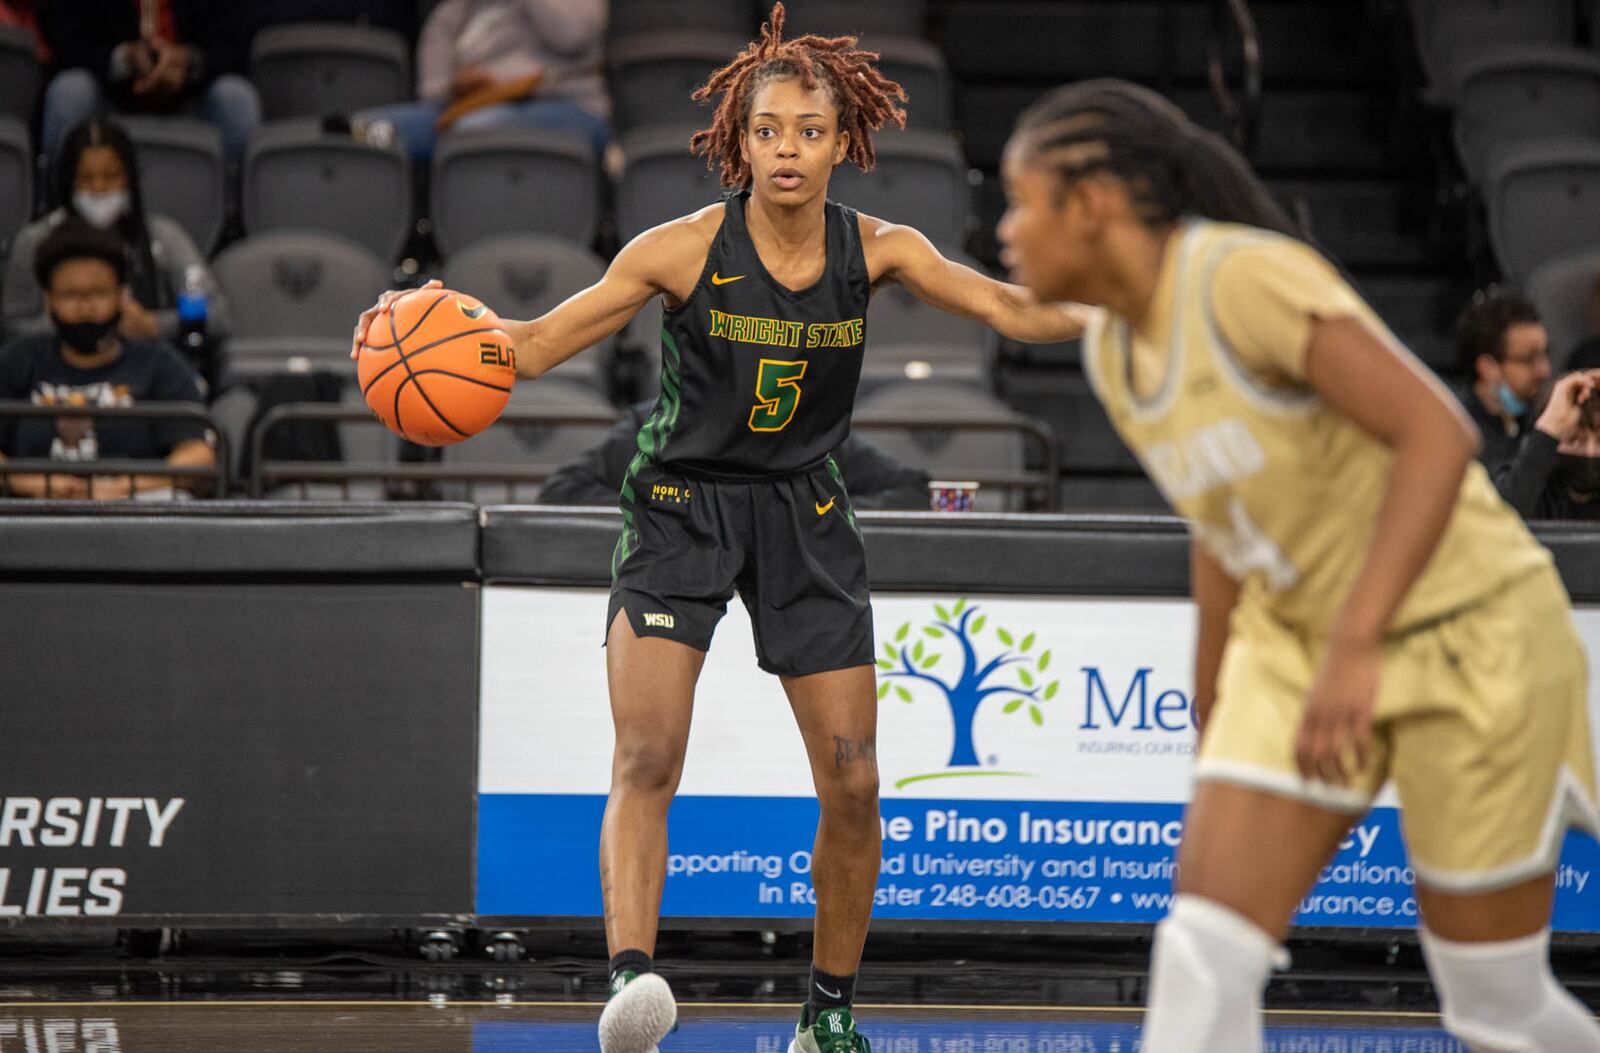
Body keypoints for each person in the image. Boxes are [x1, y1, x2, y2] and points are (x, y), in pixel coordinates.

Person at [355, 7, 1084, 1050]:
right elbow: (534, 343)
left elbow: (1015, 310)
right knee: (647, 755)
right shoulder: (680, 250)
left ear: (844, 141)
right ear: (738, 142)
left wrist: (1137, 302)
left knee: (856, 783)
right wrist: (432, 323)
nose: (787, 149)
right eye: (769, 129)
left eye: (809, 130)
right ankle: (632, 985)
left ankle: (825, 1016)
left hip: (805, 512)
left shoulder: (881, 249)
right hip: (680, 507)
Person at [995, 79, 1600, 1052]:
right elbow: (1220, 519)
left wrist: (1359, 642)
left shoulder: (1237, 278)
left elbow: (1437, 439)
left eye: (1021, 201)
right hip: (1297, 643)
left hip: (1470, 629)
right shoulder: (1110, 348)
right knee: (1199, 961)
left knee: (1496, 1007)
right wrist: (1209, 687)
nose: (1006, 231)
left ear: (1091, 201)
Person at [0, 220, 215, 499]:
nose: (85, 306)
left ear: (121, 295)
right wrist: (29, 482)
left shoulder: (158, 364)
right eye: (70, 295)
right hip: (31, 518)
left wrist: (123, 487)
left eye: (99, 293)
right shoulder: (19, 360)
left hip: (134, 515)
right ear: (47, 299)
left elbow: (198, 455)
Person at [3, 117, 230, 351]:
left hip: (149, 371)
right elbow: (13, 330)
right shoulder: (36, 242)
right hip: (58, 376)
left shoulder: (163, 238)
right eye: (86, 178)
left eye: (111, 176)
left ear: (129, 179)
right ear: (68, 183)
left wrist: (155, 324)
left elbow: (216, 315)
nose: (99, 188)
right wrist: (80, 323)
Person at [538, 401, 932, 509]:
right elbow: (560, 493)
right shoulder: (655, 424)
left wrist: (815, 514)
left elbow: (912, 491)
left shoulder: (805, 427)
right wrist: (665, 510)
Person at [355, 0, 609, 164]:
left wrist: (501, 81)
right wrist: (457, 86)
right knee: (363, 130)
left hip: (567, 104)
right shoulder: (456, 11)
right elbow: (431, 91)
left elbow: (572, 35)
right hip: (467, 107)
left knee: (473, 131)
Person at [36, 0, 261, 165]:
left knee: (236, 97)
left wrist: (188, 62)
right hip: (111, 97)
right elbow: (67, 43)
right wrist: (124, 59)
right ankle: (58, 214)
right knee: (70, 91)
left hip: (192, 98)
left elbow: (235, 43)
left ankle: (234, 220)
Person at [1494, 344, 1600, 520]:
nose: (1590, 452)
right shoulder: (1527, 484)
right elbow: (1502, 520)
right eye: (1574, 440)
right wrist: (1549, 426)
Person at [1452, 289, 1551, 473]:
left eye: (1545, 354)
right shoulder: (1457, 435)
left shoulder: (1541, 420)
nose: (1545, 370)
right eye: (1529, 359)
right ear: (1488, 367)